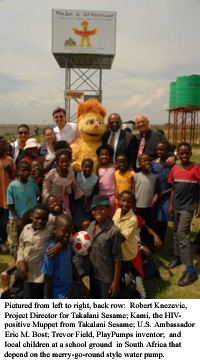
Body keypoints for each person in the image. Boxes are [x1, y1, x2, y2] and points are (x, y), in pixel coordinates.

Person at [168, 142, 200, 286]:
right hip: (176, 205)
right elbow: (173, 189)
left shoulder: (196, 169)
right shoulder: (174, 168)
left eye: (186, 153)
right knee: (175, 232)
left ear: (190, 153)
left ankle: (191, 270)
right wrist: (170, 204)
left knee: (183, 234)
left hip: (188, 207)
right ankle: (178, 256)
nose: (184, 155)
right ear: (177, 154)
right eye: (181, 153)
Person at [88, 195, 124, 299]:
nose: (97, 212)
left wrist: (115, 282)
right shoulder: (91, 227)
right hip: (93, 275)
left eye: (101, 209)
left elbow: (118, 258)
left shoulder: (114, 231)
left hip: (107, 277)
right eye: (94, 209)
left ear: (108, 209)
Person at [16, 204, 54, 299]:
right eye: (37, 218)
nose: (40, 221)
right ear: (31, 216)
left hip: (40, 276)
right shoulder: (26, 228)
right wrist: (20, 261)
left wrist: (58, 246)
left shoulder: (50, 230)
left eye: (44, 219)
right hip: (26, 272)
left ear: (47, 219)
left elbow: (64, 237)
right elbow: (21, 246)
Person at [6, 160, 40, 257]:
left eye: (28, 170)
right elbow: (10, 204)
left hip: (31, 218)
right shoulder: (12, 186)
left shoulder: (32, 183)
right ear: (17, 172)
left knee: (30, 240)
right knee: (15, 243)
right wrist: (16, 218)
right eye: (23, 170)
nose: (26, 172)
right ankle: (17, 264)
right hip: (16, 218)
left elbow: (37, 194)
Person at [42, 150, 84, 217]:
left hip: (64, 201)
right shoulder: (53, 173)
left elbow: (75, 185)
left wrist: (82, 196)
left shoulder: (71, 173)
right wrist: (48, 200)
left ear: (70, 161)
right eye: (61, 162)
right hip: (52, 202)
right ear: (58, 163)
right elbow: (45, 188)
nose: (64, 164)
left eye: (66, 161)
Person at [113, 190, 144, 278]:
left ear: (133, 205)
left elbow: (122, 238)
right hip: (118, 251)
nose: (125, 204)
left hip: (127, 253)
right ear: (118, 200)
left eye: (129, 202)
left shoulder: (133, 220)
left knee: (130, 275)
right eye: (123, 200)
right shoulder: (117, 211)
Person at [133, 153, 158, 252]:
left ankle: (151, 244)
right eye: (144, 161)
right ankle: (141, 245)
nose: (147, 162)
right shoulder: (136, 176)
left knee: (150, 225)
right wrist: (133, 205)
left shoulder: (155, 177)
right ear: (139, 163)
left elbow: (156, 191)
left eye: (148, 160)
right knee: (141, 227)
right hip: (139, 206)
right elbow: (133, 191)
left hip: (150, 206)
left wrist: (156, 196)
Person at [151, 141, 174, 243]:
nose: (159, 151)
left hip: (166, 196)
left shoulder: (173, 166)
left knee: (163, 219)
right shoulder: (153, 163)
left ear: (168, 151)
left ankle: (161, 240)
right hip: (154, 195)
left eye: (162, 150)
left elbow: (175, 185)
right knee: (154, 218)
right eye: (157, 149)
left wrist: (162, 194)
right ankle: (155, 239)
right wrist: (156, 194)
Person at [0, 137, 16, 252]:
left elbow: (14, 177)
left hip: (5, 196)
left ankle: (2, 241)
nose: (3, 146)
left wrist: (9, 170)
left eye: (4, 145)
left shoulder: (9, 160)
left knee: (4, 221)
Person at [73, 158, 98, 227]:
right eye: (86, 167)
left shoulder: (95, 178)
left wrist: (91, 202)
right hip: (78, 199)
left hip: (89, 199)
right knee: (77, 216)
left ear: (93, 167)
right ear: (82, 167)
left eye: (90, 167)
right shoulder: (77, 175)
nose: (88, 169)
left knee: (88, 217)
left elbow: (95, 191)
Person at [96, 144, 116, 217]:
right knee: (102, 214)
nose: (104, 156)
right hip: (101, 194)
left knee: (112, 214)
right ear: (99, 156)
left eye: (106, 155)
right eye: (102, 155)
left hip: (112, 195)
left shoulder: (114, 167)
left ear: (110, 156)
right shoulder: (98, 168)